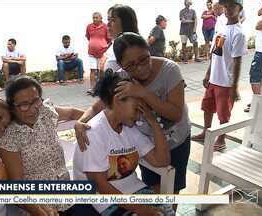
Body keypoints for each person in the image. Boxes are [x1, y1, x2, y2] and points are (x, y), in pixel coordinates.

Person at [75, 32, 191, 211]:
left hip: (175, 140)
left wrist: (150, 117)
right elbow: (99, 104)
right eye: (130, 65)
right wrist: (80, 122)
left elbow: (175, 117)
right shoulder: (101, 130)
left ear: (149, 50)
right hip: (104, 198)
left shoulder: (169, 70)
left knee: (167, 202)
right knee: (152, 192)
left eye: (144, 59)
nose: (140, 68)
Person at [73, 72, 174, 216]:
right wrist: (140, 209)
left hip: (132, 191)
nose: (140, 114)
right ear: (118, 101)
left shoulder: (130, 127)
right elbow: (100, 185)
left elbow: (162, 161)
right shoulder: (93, 132)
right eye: (137, 108)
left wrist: (153, 121)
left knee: (166, 213)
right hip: (100, 200)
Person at [0, 75, 98, 215]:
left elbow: (72, 113)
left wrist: (84, 123)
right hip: (41, 207)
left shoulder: (45, 112)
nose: (33, 110)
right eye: (24, 105)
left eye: (36, 101)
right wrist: (40, 210)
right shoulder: (9, 136)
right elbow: (17, 185)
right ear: (12, 107)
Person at [192, 0, 247, 151]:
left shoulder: (239, 33)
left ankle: (222, 138)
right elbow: (215, 54)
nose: (228, 8)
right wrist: (208, 73)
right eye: (226, 5)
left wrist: (234, 87)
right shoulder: (221, 27)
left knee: (224, 114)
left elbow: (237, 62)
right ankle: (205, 131)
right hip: (214, 78)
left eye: (232, 5)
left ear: (239, 8)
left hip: (226, 83)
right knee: (207, 107)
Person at [244, 0, 262, 112]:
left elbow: (259, 25)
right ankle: (259, 101)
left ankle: (259, 104)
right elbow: (259, 13)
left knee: (255, 77)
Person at [104, 4, 139, 73]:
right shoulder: (114, 43)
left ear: (126, 23)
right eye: (108, 19)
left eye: (113, 20)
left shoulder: (132, 48)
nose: (108, 24)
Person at [86, 12, 111, 95]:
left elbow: (108, 39)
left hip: (102, 52)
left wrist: (102, 44)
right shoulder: (89, 26)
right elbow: (88, 37)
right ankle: (92, 88)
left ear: (101, 18)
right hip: (92, 52)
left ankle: (101, 87)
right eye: (93, 17)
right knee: (92, 70)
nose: (95, 19)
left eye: (96, 17)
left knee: (101, 70)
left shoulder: (105, 27)